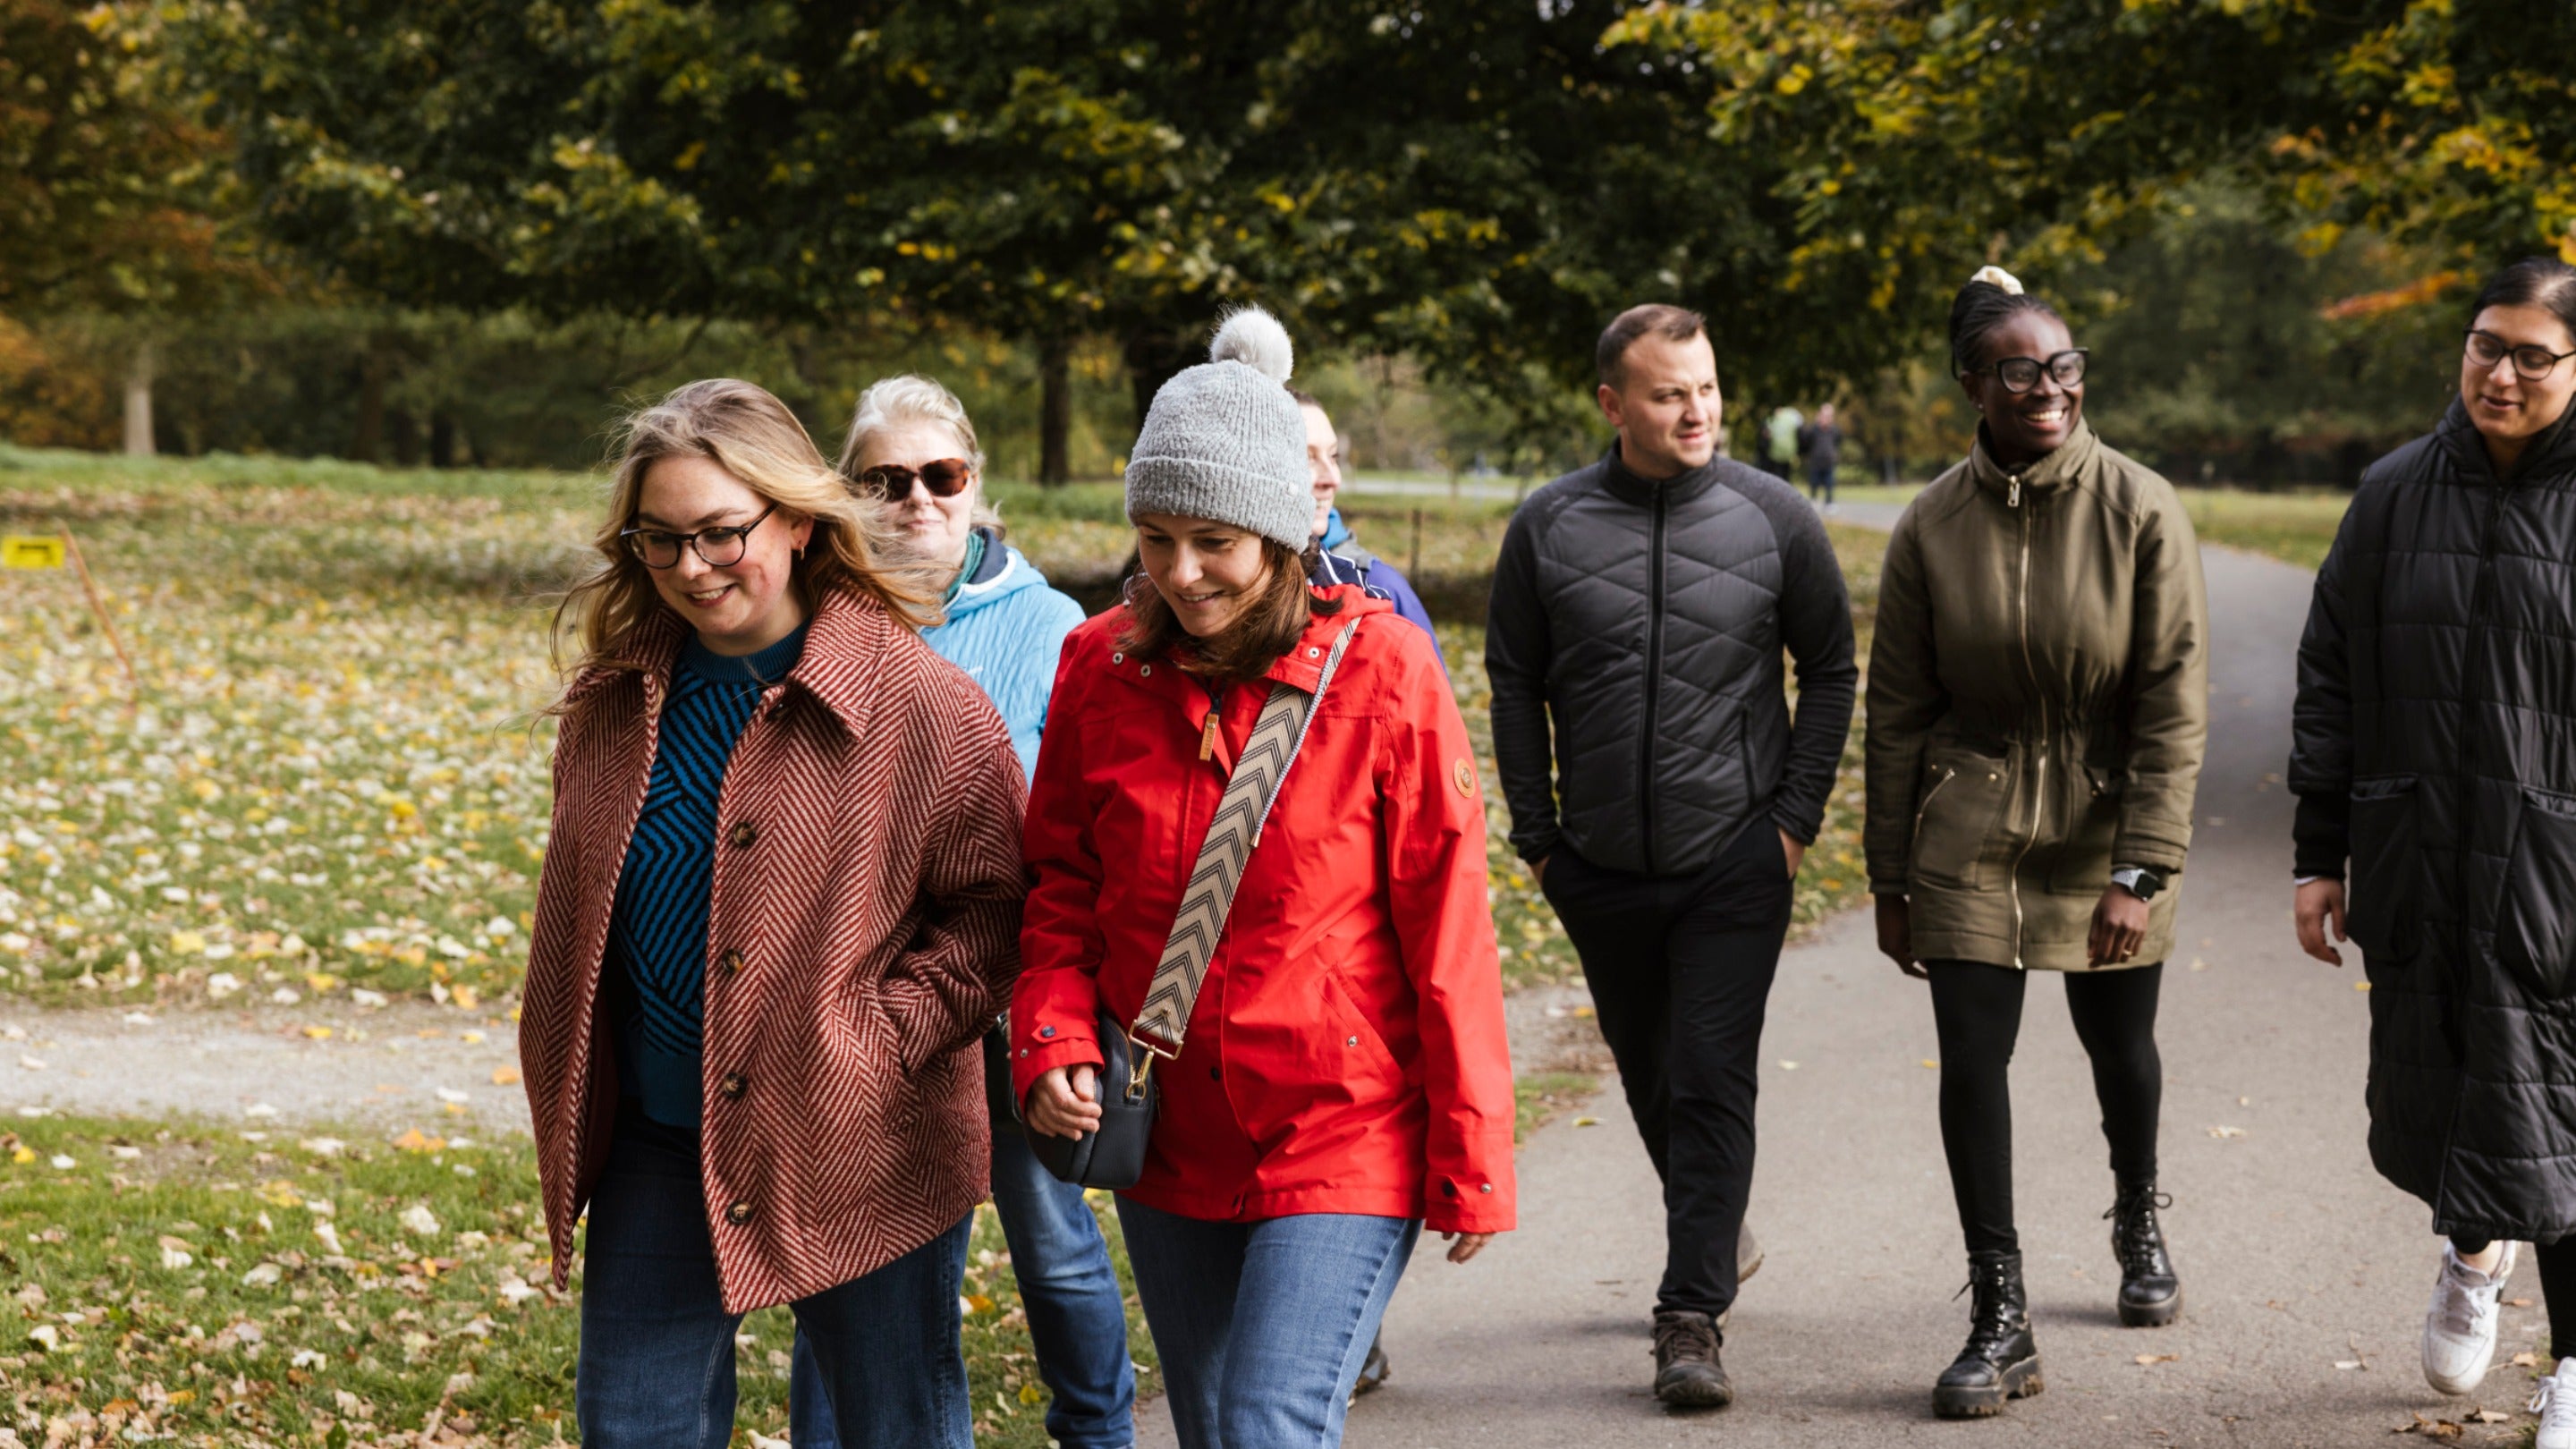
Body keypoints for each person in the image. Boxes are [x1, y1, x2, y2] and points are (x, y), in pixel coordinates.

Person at [1013, 307, 1514, 1449]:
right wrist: (1052, 1039)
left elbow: (1449, 920)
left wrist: (1473, 1150)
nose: (1180, 575)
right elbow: (1058, 886)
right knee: (1212, 1430)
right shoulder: (1098, 666)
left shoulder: (1382, 668)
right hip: (1170, 1126)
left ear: (1281, 534)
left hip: (1343, 1122)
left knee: (1266, 1425)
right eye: (1154, 539)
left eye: (1215, 543)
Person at [517, 379, 1029, 1448]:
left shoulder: (919, 703)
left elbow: (996, 910)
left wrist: (879, 1038)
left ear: (798, 520)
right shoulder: (613, 699)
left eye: (719, 534)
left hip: (862, 1139)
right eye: (660, 541)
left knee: (894, 1431)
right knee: (633, 1428)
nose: (692, 570)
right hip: (658, 1140)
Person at [1486, 303, 1858, 1408]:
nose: (1694, 410)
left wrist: (1792, 821)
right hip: (1596, 862)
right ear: (1614, 403)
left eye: (1704, 388)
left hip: (1734, 856)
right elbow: (1513, 682)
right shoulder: (1548, 526)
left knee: (1706, 1072)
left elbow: (1830, 670)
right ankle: (1717, 1225)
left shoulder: (1776, 517)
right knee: (1651, 1075)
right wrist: (1541, 839)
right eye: (1667, 392)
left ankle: (1689, 1318)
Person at [1866, 266, 2210, 1420]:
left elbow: (2171, 699)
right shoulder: (1928, 526)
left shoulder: (2140, 507)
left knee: (2122, 1052)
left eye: (2064, 367)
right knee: (1972, 1062)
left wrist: (2139, 868)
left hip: (2106, 825)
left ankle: (2136, 1211)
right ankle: (1998, 1312)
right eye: (2023, 370)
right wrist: (1888, 875)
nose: (2051, 388)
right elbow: (1899, 712)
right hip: (1969, 825)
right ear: (1973, 384)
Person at [780, 377, 1126, 1449]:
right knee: (845, 1252)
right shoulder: (814, 624)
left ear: (978, 488)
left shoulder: (1050, 624)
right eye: (886, 480)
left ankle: (1100, 1431)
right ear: (847, 493)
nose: (918, 499)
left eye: (942, 476)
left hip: (1006, 983)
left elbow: (1069, 821)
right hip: (862, 997)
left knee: (1050, 1237)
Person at [2290, 256, 2576, 1449]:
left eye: (2533, 355)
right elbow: (2332, 675)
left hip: (2556, 872)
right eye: (2484, 346)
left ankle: (2572, 1368)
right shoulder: (2394, 494)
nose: (2500, 374)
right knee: (2461, 1081)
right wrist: (2321, 852)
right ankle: (2471, 1257)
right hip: (2423, 857)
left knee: (2560, 1110)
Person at [1294, 389, 1444, 673]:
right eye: (1306, 457)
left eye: (1334, 456)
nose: (1333, 479)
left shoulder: (1380, 587)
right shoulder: (1215, 587)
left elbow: (1431, 709)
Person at [1799, 402, 1844, 510]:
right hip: (1816, 461)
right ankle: (1813, 500)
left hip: (1829, 461)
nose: (1826, 418)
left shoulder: (1834, 430)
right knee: (1814, 482)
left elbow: (1838, 442)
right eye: (1824, 415)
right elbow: (1805, 441)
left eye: (1829, 416)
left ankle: (1829, 503)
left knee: (1830, 484)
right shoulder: (1814, 430)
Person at [1763, 403, 1804, 482]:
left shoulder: (1790, 415)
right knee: (1780, 478)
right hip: (1776, 455)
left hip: (1786, 456)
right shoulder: (1773, 418)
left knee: (1783, 478)